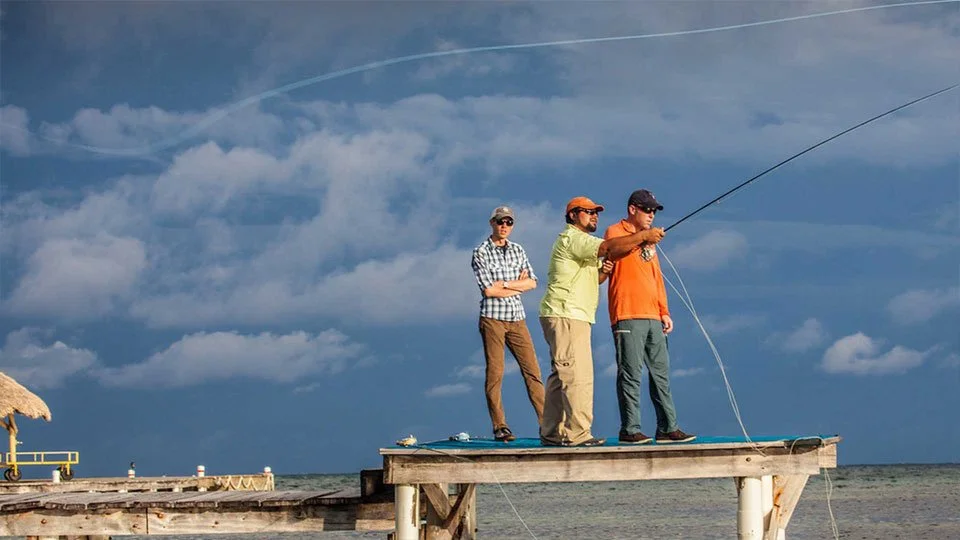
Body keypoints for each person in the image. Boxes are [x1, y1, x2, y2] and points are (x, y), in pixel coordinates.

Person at [538, 196, 665, 447]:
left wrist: (604, 271)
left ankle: (551, 432)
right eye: (588, 212)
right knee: (578, 376)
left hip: (568, 314)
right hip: (567, 314)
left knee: (560, 375)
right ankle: (578, 434)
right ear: (573, 215)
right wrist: (643, 237)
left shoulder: (581, 243)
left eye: (596, 212)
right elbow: (608, 247)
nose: (594, 215)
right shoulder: (574, 238)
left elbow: (593, 277)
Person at [604, 189, 696, 444]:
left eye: (654, 210)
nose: (651, 214)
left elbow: (656, 279)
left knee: (660, 373)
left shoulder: (651, 244)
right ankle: (629, 429)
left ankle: (668, 427)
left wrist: (664, 311)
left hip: (652, 315)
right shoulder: (615, 230)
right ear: (632, 209)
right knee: (630, 373)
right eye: (647, 209)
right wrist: (644, 237)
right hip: (627, 312)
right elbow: (614, 249)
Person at [471, 206, 545, 442]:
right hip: (492, 318)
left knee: (533, 371)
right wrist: (515, 285)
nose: (504, 226)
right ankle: (500, 426)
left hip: (517, 317)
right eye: (501, 221)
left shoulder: (518, 250)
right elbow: (489, 290)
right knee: (496, 373)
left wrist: (505, 284)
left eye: (509, 222)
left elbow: (533, 283)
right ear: (492, 222)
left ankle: (547, 424)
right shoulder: (480, 252)